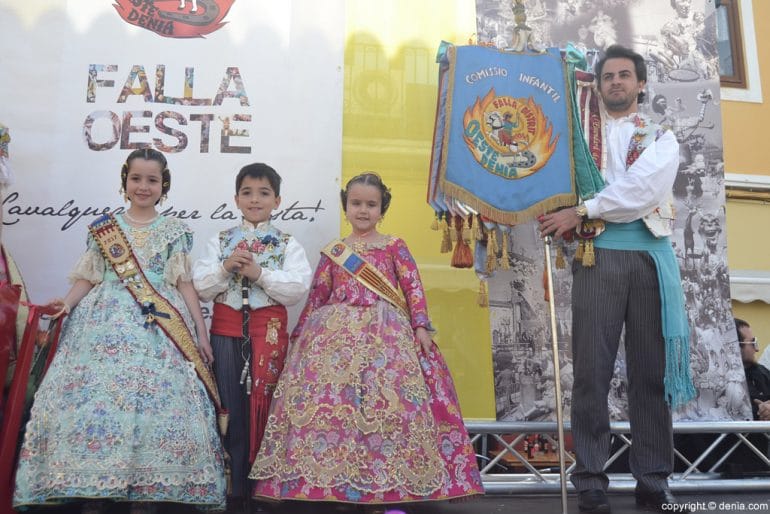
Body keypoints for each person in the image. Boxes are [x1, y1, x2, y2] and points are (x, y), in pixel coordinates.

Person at [249, 172, 483, 512]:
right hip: (334, 337)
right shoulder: (335, 252)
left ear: (382, 208)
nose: (363, 210)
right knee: (338, 412)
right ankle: (339, 481)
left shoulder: (394, 246)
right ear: (346, 206)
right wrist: (299, 337)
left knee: (385, 407)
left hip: (386, 337)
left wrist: (420, 325)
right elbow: (318, 295)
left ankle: (386, 483)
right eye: (356, 203)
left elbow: (412, 288)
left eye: (370, 204)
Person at [13, 149, 226, 514]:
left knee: (150, 408)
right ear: (125, 182)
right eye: (136, 179)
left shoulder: (176, 231)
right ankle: (94, 486)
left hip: (159, 328)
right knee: (98, 404)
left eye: (152, 180)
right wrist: (66, 303)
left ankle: (147, 489)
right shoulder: (104, 228)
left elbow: (185, 283)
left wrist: (201, 334)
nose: (143, 186)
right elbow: (88, 276)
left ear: (164, 185)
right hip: (101, 323)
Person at [539, 45, 694, 513]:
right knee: (591, 374)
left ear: (641, 83)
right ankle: (589, 478)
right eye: (608, 76)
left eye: (625, 75)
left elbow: (642, 192)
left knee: (650, 374)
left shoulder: (663, 138)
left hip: (649, 259)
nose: (616, 82)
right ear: (598, 84)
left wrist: (583, 209)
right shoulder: (579, 140)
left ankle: (653, 478)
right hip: (597, 257)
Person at [192, 162, 312, 513]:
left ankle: (264, 486)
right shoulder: (220, 240)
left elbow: (296, 288)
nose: (255, 199)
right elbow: (200, 287)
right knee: (228, 404)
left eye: (263, 193)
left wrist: (260, 273)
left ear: (277, 200)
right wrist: (225, 267)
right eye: (247, 192)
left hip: (269, 332)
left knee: (268, 406)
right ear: (235, 198)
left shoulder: (288, 243)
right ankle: (233, 485)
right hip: (226, 331)